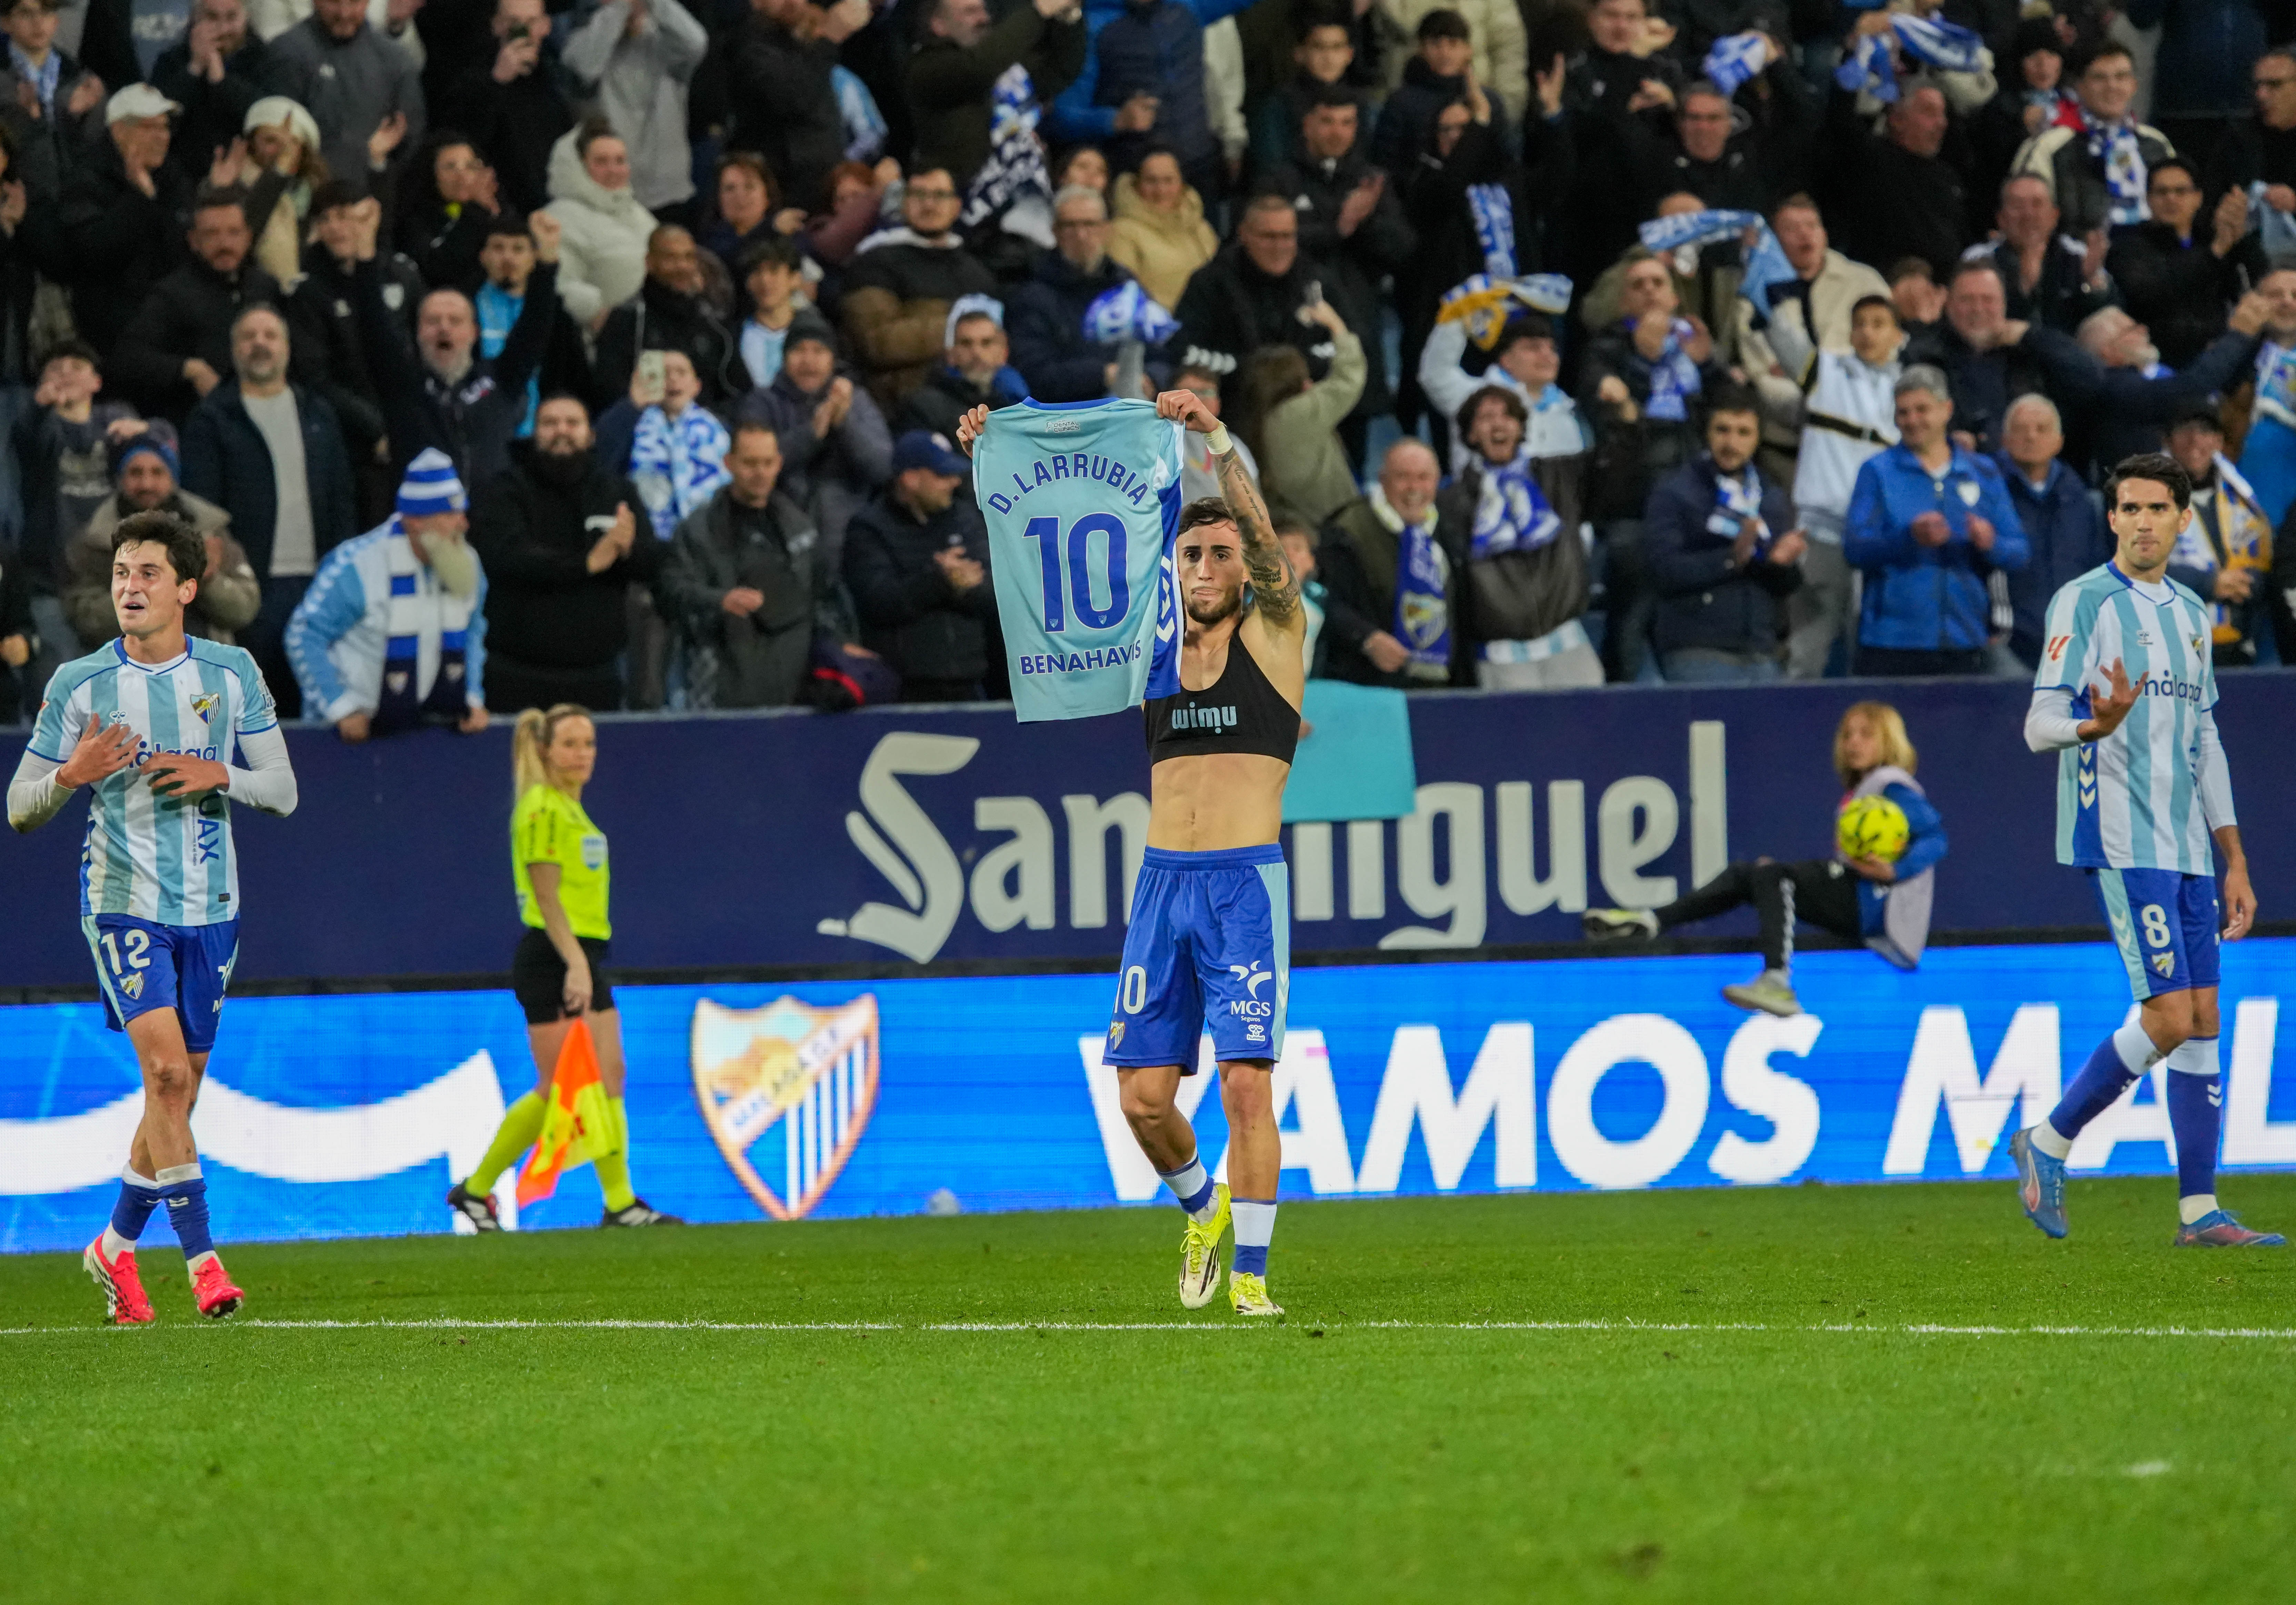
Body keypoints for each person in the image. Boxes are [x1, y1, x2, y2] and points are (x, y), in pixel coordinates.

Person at [958, 383, 1306, 1317]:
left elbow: (1266, 540)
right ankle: (1204, 1209)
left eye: (1219, 552)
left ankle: (1253, 1281)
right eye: (1190, 551)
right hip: (1162, 888)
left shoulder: (1274, 635)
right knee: (1145, 1101)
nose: (1204, 564)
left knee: (1244, 1083)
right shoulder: (1144, 644)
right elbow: (1057, 529)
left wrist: (1216, 440)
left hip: (1243, 888)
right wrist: (998, 447)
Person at [8, 508, 299, 1324]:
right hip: (122, 900)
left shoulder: (233, 672)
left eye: (146, 575)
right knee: (166, 1076)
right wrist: (72, 775)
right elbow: (18, 807)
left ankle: (114, 1246)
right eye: (120, 575)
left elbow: (282, 790)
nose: (129, 588)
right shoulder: (79, 685)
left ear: (188, 588)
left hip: (213, 904)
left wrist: (218, 775)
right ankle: (205, 1264)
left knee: (180, 1094)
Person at [2011, 451, 2280, 1250]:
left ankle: (2200, 1213)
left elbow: (2205, 739)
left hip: (2192, 845)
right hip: (2121, 836)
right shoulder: (2085, 601)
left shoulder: (2194, 615)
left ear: (2180, 518)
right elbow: (2038, 725)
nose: (2140, 522)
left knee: (2201, 1020)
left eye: (2156, 509)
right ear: (2113, 518)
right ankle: (2050, 1139)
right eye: (2127, 508)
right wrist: (2093, 725)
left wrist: (2234, 857)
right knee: (2165, 1015)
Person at [446, 704, 679, 1231]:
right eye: (571, 743)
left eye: (590, 743)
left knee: (606, 1073)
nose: (583, 754)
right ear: (546, 749)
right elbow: (546, 899)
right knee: (561, 1085)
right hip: (556, 956)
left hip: (580, 953)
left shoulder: (569, 810)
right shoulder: (542, 808)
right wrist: (575, 964)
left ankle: (612, 1201)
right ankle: (489, 1189)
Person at [1583, 701, 1946, 1017]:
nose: (1853, 742)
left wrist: (1895, 869)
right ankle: (1652, 920)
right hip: (1858, 895)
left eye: (1866, 734)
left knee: (1773, 875)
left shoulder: (1891, 783)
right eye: (1847, 734)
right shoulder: (1863, 789)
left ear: (1888, 740)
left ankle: (1776, 980)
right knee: (1750, 874)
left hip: (1871, 904)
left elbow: (1935, 837)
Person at [180, 302, 359, 719]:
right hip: (252, 587)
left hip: (318, 583)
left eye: (270, 336)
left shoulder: (319, 414)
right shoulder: (212, 419)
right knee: (256, 706)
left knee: (315, 704)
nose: (260, 344)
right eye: (249, 336)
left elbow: (341, 496)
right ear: (233, 350)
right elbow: (201, 506)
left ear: (287, 348)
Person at [1580, 248, 1727, 681]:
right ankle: (1619, 720)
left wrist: (1710, 366)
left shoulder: (1694, 344)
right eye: (1637, 285)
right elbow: (1605, 402)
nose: (1648, 291)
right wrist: (1643, 362)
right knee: (1631, 619)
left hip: (1693, 506)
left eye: (1657, 283)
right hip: (1635, 506)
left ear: (1675, 296)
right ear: (1624, 301)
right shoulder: (1606, 349)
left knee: (1688, 625)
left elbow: (1731, 414)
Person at [352, 199, 564, 486]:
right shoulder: (404, 386)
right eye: (433, 321)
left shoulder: (501, 380)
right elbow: (373, 328)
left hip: (490, 520)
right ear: (417, 333)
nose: (444, 329)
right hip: (423, 522)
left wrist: (548, 261)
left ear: (474, 332)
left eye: (455, 321)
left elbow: (534, 328)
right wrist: (365, 257)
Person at [469, 392, 658, 712]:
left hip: (598, 677)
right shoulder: (504, 489)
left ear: (591, 434)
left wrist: (627, 550)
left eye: (573, 423)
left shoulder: (617, 491)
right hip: (516, 674)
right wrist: (586, 563)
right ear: (533, 433)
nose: (562, 431)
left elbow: (651, 564)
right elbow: (508, 558)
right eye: (550, 423)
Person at [285, 447, 489, 739]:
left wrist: (471, 697)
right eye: (450, 514)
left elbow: (473, 631)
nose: (464, 524)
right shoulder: (358, 564)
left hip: (429, 734)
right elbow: (303, 634)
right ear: (415, 521)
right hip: (345, 741)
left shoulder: (466, 562)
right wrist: (340, 707)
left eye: (462, 512)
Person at [655, 418, 853, 709]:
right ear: (729, 463)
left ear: (779, 463)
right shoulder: (698, 530)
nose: (760, 473)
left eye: (767, 463)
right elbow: (671, 589)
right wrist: (720, 600)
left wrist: (842, 644)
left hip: (795, 689)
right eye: (750, 463)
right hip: (720, 687)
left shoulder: (801, 527)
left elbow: (824, 595)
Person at [1845, 365, 2028, 676]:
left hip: (1966, 638)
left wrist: (1991, 543)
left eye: (1922, 410)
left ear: (1946, 410)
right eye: (1903, 412)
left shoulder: (1981, 472)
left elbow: (2019, 551)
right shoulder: (1878, 471)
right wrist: (1908, 538)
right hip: (1892, 644)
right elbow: (1855, 549)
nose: (1912, 420)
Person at [1772, 293, 1903, 678]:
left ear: (1898, 334)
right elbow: (1781, 336)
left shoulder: (1909, 392)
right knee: (1807, 652)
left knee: (1870, 656)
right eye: (1859, 323)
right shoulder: (1827, 372)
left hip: (1880, 542)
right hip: (1821, 535)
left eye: (1878, 323)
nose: (1866, 332)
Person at [1435, 383, 1598, 688]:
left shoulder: (1558, 476)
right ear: (1470, 435)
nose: (1498, 423)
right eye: (1486, 417)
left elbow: (1620, 475)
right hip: (1501, 658)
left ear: (1521, 427)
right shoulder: (1451, 504)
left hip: (1569, 645)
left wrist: (1620, 417)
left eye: (1508, 416)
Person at [1642, 385, 1806, 682]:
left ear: (1758, 438)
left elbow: (1783, 586)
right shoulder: (1675, 491)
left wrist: (1781, 566)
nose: (1732, 443)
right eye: (1723, 430)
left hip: (1761, 651)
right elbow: (1663, 571)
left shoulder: (1769, 494)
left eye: (1744, 433)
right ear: (1707, 432)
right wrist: (1731, 558)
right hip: (1697, 650)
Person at [63, 420, 255, 647]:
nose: (147, 484)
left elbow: (244, 610)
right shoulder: (96, 539)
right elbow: (86, 620)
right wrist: (148, 590)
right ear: (120, 480)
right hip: (125, 671)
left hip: (205, 668)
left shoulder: (210, 529)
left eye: (157, 472)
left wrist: (208, 580)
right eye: (135, 473)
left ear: (173, 478)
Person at [841, 429, 997, 701]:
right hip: (902, 690)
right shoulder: (869, 528)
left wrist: (959, 586)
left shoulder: (965, 518)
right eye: (941, 476)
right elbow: (879, 602)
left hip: (970, 681)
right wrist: (941, 581)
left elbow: (996, 590)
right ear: (911, 479)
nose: (953, 482)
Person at [108, 185, 283, 423]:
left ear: (249, 237)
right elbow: (129, 356)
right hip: (201, 422)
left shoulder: (266, 287)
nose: (225, 244)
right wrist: (189, 369)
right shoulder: (173, 294)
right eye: (212, 234)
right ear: (194, 241)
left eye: (234, 233)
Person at [733, 310, 890, 573]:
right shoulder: (762, 402)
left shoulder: (856, 401)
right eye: (799, 350)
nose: (809, 361)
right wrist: (812, 435)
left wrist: (844, 425)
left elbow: (883, 468)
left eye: (819, 351)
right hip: (780, 531)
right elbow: (751, 468)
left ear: (832, 359)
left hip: (850, 534)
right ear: (784, 358)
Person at [838, 166, 998, 409]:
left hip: (977, 393)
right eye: (919, 195)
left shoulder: (977, 273)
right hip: (906, 400)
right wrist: (958, 327)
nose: (929, 205)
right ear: (904, 204)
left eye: (940, 196)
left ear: (956, 207)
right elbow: (878, 342)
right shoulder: (874, 262)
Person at [58, 84, 198, 362]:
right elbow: (92, 254)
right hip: (112, 335)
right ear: (118, 131)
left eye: (165, 127)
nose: (162, 138)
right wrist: (139, 200)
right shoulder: (86, 180)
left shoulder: (174, 179)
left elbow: (185, 252)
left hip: (171, 326)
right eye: (149, 128)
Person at [1317, 437, 1460, 687]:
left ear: (1437, 482)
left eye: (1424, 477)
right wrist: (1367, 638)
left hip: (1440, 685)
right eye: (1403, 477)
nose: (1414, 487)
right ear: (1383, 481)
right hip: (1371, 685)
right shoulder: (1347, 531)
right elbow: (1323, 600)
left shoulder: (1450, 525)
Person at [906, 0, 1085, 192]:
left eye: (983, 10)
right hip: (959, 201)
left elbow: (1060, 71)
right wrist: (1040, 11)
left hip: (1024, 197)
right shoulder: (926, 67)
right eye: (970, 12)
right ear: (939, 25)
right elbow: (978, 69)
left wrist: (1068, 13)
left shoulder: (1001, 64)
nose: (984, 19)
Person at [2104, 159, 2260, 369]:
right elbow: (2151, 291)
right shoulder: (2128, 245)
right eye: (2162, 192)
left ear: (2198, 197)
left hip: (2220, 354)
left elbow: (2262, 279)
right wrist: (2216, 251)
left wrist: (2240, 236)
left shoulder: (2212, 238)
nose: (2171, 199)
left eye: (2181, 191)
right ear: (2148, 199)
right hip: (2159, 360)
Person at [2009, 42, 2174, 239]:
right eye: (2099, 78)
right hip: (2074, 264)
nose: (2112, 87)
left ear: (2134, 86)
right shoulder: (2049, 146)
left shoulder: (2157, 143)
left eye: (2121, 77)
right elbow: (2026, 221)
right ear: (2080, 88)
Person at [560, 0, 708, 216]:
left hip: (670, 189)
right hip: (609, 190)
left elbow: (697, 43)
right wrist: (620, 11)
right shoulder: (581, 41)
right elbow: (585, 66)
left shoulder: (665, 43)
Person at [1007, 183, 1152, 402]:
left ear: (1106, 230)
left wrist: (1153, 379)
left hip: (1130, 409)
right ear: (1055, 231)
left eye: (1090, 224)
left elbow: (1161, 349)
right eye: (1070, 226)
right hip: (1064, 417)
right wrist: (1101, 375)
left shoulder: (1127, 287)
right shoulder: (1033, 295)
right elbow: (1035, 372)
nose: (1081, 235)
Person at [2164, 407, 2284, 669]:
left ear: (2219, 441)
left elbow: (2266, 563)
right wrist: (2209, 583)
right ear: (2168, 441)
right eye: (2186, 431)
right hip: (2170, 650)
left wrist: (2248, 583)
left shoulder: (2243, 499)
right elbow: (2134, 567)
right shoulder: (2146, 499)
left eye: (2206, 431)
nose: (2196, 441)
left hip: (2238, 646)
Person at [1996, 393, 2109, 670]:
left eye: (2042, 429)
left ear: (2059, 441)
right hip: (2008, 644)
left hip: (2074, 647)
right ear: (2005, 440)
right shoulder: (1989, 495)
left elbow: (2098, 571)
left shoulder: (2083, 501)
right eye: (2021, 430)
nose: (2031, 437)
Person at [1232, 295, 1361, 529]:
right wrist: (1337, 326)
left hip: (1293, 528)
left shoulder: (1253, 419)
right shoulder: (1298, 414)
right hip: (1335, 524)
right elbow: (1349, 378)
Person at [270, 0, 425, 186]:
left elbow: (411, 141)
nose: (345, 13)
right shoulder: (287, 52)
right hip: (302, 193)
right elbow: (276, 137)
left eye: (354, 2)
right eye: (334, 2)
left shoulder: (395, 59)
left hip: (372, 196)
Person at [592, 224, 742, 409]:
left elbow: (738, 391)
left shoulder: (713, 324)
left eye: (689, 257)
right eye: (671, 258)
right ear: (650, 262)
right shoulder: (627, 319)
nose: (682, 267)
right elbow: (609, 392)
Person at [540, 119, 657, 331]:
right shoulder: (560, 218)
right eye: (601, 162)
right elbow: (558, 284)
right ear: (577, 166)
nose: (613, 170)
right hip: (600, 341)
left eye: (620, 161)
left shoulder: (641, 215)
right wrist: (601, 315)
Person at [1967, 175, 2114, 337]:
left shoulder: (2077, 255)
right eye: (2018, 206)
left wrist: (2090, 282)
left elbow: (2111, 317)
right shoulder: (1979, 261)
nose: (2028, 215)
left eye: (2037, 204)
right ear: (2001, 219)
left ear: (2054, 216)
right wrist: (2024, 288)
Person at [891, 299, 1027, 443]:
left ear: (1004, 352)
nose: (977, 352)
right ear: (951, 354)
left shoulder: (1016, 405)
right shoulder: (924, 406)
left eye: (986, 343)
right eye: (966, 343)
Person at [1106, 145, 1216, 311]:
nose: (1161, 191)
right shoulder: (1122, 233)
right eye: (1151, 181)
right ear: (1136, 184)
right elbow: (1124, 296)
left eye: (1169, 180)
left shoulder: (1201, 228)